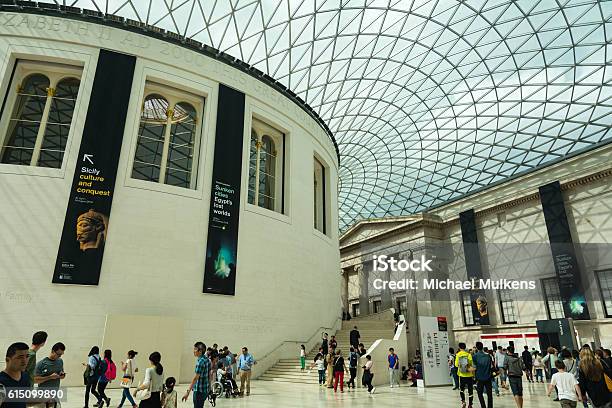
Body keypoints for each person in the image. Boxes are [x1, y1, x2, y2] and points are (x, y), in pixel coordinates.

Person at [34, 342, 66, 408]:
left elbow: (61, 374)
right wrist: (50, 377)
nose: (60, 356)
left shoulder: (60, 361)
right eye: (58, 354)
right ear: (53, 351)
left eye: (61, 354)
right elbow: (35, 380)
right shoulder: (41, 364)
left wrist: (62, 375)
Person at [0, 343, 31, 408]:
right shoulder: (2, 382)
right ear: (7, 360)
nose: (25, 361)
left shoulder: (25, 377)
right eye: (20, 357)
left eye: (27, 356)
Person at [182, 342, 209, 408]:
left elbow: (195, 378)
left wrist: (187, 392)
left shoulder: (200, 362)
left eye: (195, 349)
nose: (193, 351)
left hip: (199, 391)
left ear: (200, 351)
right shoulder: (206, 359)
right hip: (205, 390)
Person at [473, 342, 493, 408]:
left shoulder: (475, 356)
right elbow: (491, 366)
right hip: (488, 376)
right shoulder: (488, 356)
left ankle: (483, 406)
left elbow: (474, 367)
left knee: (480, 393)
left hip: (480, 377)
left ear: (476, 347)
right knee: (489, 394)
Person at [455, 342, 475, 408]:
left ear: (459, 347)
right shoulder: (468, 354)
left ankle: (463, 402)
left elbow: (456, 364)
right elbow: (471, 364)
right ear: (465, 347)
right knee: (470, 390)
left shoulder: (458, 354)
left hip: (461, 375)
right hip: (469, 375)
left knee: (462, 389)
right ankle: (470, 404)